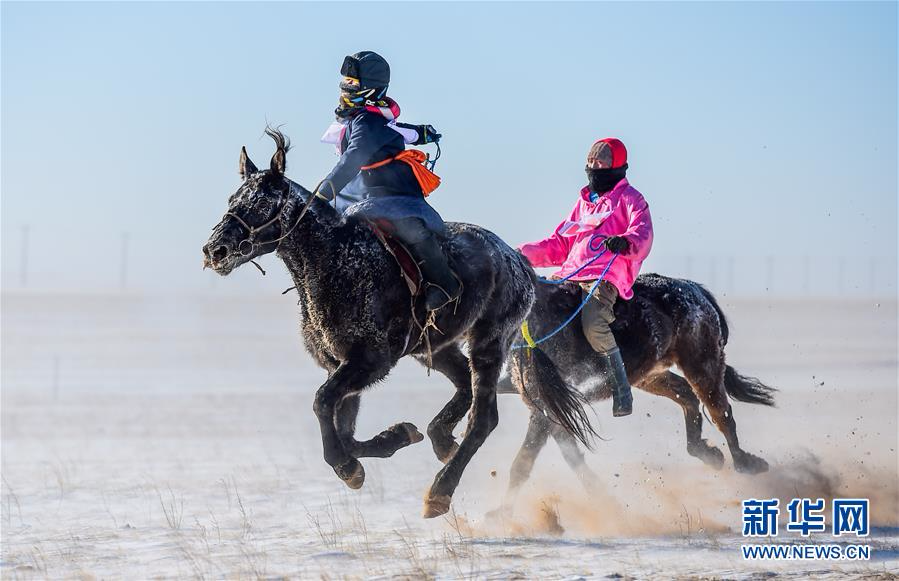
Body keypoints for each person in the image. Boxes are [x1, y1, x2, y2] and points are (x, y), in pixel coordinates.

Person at [518, 138, 653, 417]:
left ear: (617, 167)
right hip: (568, 275)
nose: (594, 168)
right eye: (591, 164)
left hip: (604, 277)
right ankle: (519, 369)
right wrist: (521, 254)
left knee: (594, 324)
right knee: (528, 307)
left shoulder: (631, 200)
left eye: (601, 164)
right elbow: (559, 245)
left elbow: (644, 235)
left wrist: (625, 241)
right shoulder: (583, 203)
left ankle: (621, 387)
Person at [315, 51, 460, 311]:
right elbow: (398, 131)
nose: (346, 87)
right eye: (345, 81)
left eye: (353, 83)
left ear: (371, 89)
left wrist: (323, 193)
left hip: (392, 190)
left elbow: (352, 159)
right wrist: (420, 133)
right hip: (366, 189)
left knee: (410, 228)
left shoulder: (367, 121)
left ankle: (444, 284)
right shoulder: (365, 116)